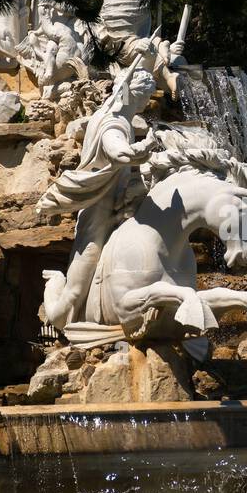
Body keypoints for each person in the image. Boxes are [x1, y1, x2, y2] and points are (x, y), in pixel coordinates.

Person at [35, 59, 159, 327]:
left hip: (123, 205)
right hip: (99, 213)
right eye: (144, 97)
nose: (146, 104)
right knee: (77, 288)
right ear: (130, 94)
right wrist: (143, 149)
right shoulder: (112, 123)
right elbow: (117, 152)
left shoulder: (116, 118)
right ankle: (57, 289)